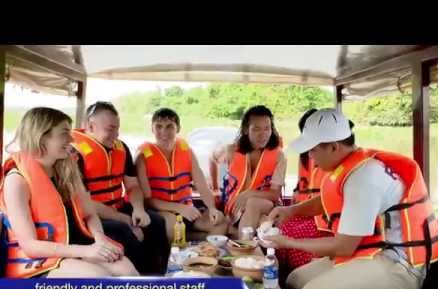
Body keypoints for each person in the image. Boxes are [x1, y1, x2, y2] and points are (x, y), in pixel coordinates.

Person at [262, 108, 438, 289]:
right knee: (295, 281)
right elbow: (326, 201)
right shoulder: (351, 165)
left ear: (333, 147)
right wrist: (290, 211)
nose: (310, 156)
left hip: (400, 266)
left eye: (312, 150)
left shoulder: (364, 178)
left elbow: (343, 246)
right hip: (372, 253)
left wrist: (287, 241)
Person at [0, 107, 138, 289]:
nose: (72, 138)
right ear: (42, 137)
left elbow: (90, 212)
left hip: (71, 251)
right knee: (102, 283)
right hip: (37, 264)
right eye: (64, 133)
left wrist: (99, 239)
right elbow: (30, 246)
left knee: (129, 273)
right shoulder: (17, 180)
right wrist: (87, 251)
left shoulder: (66, 167)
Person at [71, 101, 170, 275]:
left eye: (117, 129)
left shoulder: (121, 148)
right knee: (124, 230)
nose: (115, 135)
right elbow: (85, 205)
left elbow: (132, 185)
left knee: (156, 221)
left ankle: (162, 272)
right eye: (110, 129)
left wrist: (138, 210)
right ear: (90, 126)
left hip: (116, 206)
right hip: (90, 217)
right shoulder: (74, 155)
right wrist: (123, 219)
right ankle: (141, 283)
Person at [135, 108, 228, 242]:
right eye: (158, 127)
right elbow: (147, 200)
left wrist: (212, 208)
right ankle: (190, 246)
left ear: (178, 128)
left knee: (220, 223)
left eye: (169, 127)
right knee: (173, 224)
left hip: (186, 207)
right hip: (159, 210)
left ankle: (199, 249)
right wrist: (179, 208)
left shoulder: (187, 152)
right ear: (152, 129)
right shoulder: (142, 157)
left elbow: (201, 185)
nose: (164, 132)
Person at [209, 105, 286, 237]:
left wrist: (248, 194)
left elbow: (274, 194)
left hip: (266, 205)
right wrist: (215, 188)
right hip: (236, 208)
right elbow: (212, 158)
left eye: (267, 128)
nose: (263, 134)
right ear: (246, 129)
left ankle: (242, 244)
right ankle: (241, 238)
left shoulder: (279, 156)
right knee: (260, 222)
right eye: (256, 129)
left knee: (253, 203)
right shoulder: (231, 150)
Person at [275, 109, 331, 276]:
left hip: (325, 220)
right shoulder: (306, 156)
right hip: (305, 211)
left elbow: (328, 201)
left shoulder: (333, 161)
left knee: (288, 231)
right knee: (279, 227)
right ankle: (281, 273)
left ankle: (293, 273)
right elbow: (301, 186)